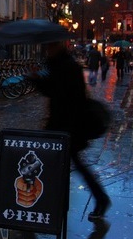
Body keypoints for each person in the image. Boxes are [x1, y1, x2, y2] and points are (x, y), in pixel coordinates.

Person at [33, 41, 111, 221]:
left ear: (58, 47)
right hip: (63, 125)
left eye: (50, 46)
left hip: (67, 125)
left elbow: (57, 92)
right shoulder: (60, 64)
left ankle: (43, 202)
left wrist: (37, 79)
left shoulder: (66, 66)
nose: (48, 49)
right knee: (62, 164)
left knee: (50, 162)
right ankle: (98, 198)